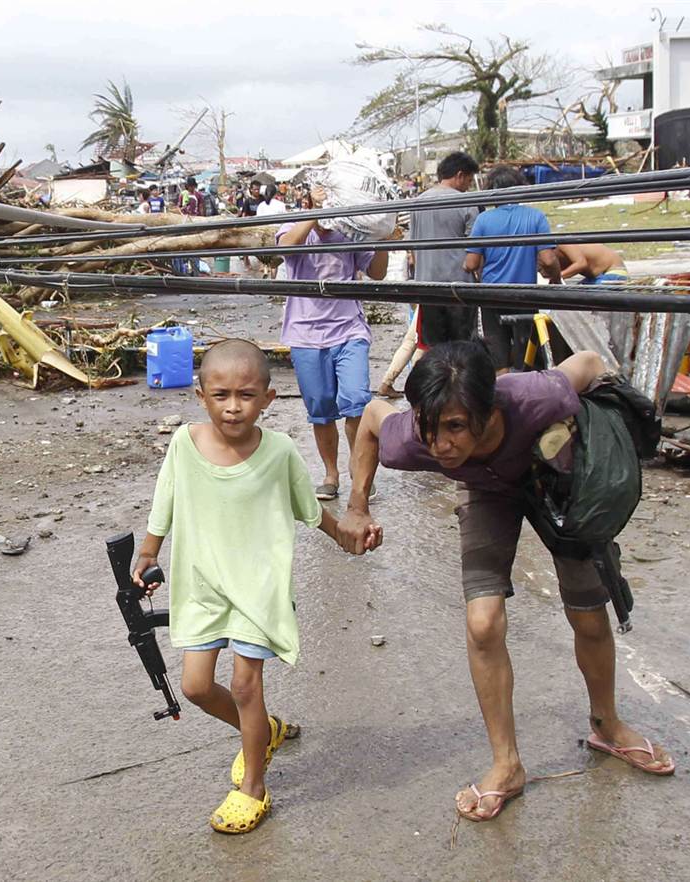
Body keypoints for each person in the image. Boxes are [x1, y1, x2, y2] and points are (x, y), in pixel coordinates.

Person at [336, 340, 675, 823]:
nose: (441, 445)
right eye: (430, 428)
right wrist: (357, 504)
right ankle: (506, 764)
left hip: (555, 480)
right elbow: (371, 416)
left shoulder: (538, 397)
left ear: (490, 408)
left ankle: (607, 723)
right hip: (486, 493)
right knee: (483, 623)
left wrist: (602, 436)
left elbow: (591, 363)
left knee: (588, 614)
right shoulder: (409, 438)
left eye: (455, 427)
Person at [132, 339, 341, 834]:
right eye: (221, 394)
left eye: (246, 395)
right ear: (201, 394)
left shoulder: (280, 451)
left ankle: (254, 786)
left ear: (268, 399)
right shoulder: (184, 443)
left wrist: (347, 536)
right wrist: (147, 551)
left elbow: (308, 510)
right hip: (202, 586)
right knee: (196, 687)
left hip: (258, 588)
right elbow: (167, 500)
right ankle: (263, 732)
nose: (233, 406)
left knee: (247, 686)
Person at [277, 185, 390, 500]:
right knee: (321, 409)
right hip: (305, 333)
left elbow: (378, 273)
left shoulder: (350, 231)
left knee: (356, 401)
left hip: (349, 329)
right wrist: (316, 213)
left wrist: (382, 235)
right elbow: (286, 247)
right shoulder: (294, 225)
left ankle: (359, 468)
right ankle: (331, 473)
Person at [378, 151, 481, 399]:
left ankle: (432, 395)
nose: (467, 186)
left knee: (432, 348)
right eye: (468, 180)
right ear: (459, 176)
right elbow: (474, 250)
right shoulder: (465, 203)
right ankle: (457, 397)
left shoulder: (418, 202)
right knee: (460, 351)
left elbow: (412, 246)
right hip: (459, 289)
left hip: (427, 288)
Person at [464, 166, 561, 371]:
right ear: (519, 189)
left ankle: (503, 397)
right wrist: (555, 278)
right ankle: (526, 397)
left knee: (498, 360)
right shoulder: (536, 217)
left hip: (492, 295)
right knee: (527, 356)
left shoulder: (484, 220)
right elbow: (549, 260)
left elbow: (471, 263)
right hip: (524, 295)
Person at [551, 243, 628, 284]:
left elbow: (581, 264)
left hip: (613, 272)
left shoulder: (562, 244)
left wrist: (558, 277)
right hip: (594, 278)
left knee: (581, 296)